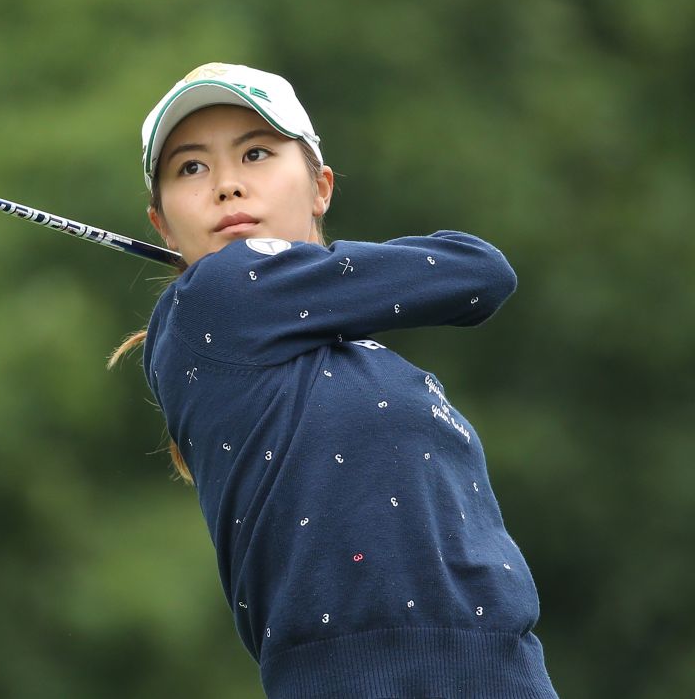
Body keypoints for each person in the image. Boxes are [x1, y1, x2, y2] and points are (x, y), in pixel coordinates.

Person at [110, 63, 559, 698]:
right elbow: (480, 273)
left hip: (503, 676)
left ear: (320, 186)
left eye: (257, 153)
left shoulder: (372, 362)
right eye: (191, 168)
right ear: (161, 222)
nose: (227, 186)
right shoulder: (213, 298)